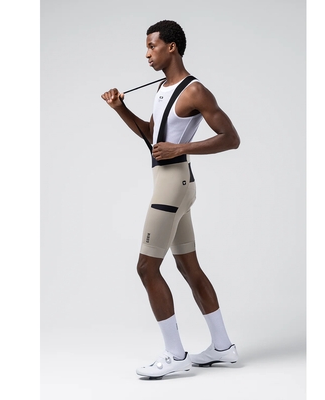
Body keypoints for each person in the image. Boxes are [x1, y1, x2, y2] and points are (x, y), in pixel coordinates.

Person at [101, 20, 240, 379]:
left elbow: (231, 138)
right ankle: (223, 346)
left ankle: (175, 355)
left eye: (152, 46)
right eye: (147, 47)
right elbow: (152, 135)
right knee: (188, 267)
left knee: (146, 268)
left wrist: (180, 148)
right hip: (171, 183)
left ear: (172, 47)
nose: (147, 54)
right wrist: (119, 108)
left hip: (173, 185)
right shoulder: (162, 88)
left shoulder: (195, 91)